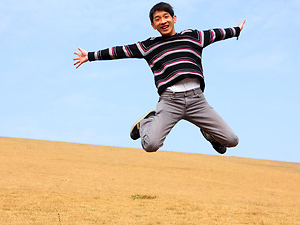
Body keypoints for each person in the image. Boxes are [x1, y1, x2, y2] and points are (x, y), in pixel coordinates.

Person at [74, 2, 246, 154]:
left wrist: (236, 30)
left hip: (197, 101)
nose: (163, 21)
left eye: (166, 16)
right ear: (153, 25)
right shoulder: (149, 45)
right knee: (150, 145)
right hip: (170, 101)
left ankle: (209, 134)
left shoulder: (193, 37)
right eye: (157, 19)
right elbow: (121, 51)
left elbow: (217, 33)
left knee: (232, 140)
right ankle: (146, 122)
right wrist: (90, 55)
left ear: (174, 18)